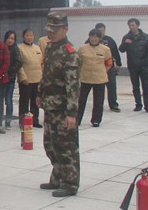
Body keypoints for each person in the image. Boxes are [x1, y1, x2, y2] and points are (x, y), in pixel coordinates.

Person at [37, 12, 81, 197]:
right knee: (50, 144)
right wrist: (40, 93)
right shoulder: (50, 48)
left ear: (65, 29)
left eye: (55, 30)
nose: (51, 33)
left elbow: (73, 86)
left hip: (63, 108)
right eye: (49, 29)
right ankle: (57, 175)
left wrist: (71, 113)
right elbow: (46, 75)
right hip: (50, 105)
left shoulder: (70, 53)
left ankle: (70, 182)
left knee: (66, 146)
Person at [76, 29, 112, 127]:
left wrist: (102, 71)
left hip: (99, 79)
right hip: (85, 78)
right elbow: (78, 62)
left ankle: (96, 120)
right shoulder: (82, 48)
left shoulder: (105, 49)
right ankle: (77, 119)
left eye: (96, 37)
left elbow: (109, 64)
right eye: (92, 36)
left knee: (98, 101)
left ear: (100, 38)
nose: (94, 39)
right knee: (81, 100)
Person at [119, 18, 148, 113]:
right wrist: (125, 43)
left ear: (137, 25)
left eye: (133, 25)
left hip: (143, 65)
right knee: (135, 86)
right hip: (132, 65)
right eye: (129, 25)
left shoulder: (146, 37)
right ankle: (138, 104)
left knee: (146, 86)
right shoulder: (127, 37)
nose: (131, 27)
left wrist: (146, 63)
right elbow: (121, 49)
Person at [17, 29, 43, 129]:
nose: (29, 37)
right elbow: (19, 65)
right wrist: (23, 78)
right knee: (24, 101)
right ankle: (23, 120)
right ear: (23, 37)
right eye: (27, 35)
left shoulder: (37, 48)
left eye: (31, 35)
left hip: (37, 78)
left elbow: (41, 63)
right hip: (26, 80)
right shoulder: (20, 48)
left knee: (35, 101)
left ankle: (34, 120)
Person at [94, 23, 121, 113]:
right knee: (97, 88)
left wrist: (119, 64)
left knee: (112, 86)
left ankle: (113, 104)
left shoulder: (110, 40)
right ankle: (97, 105)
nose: (101, 32)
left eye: (103, 30)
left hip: (109, 67)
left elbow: (116, 52)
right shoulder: (91, 41)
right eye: (99, 31)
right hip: (96, 68)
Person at [3, 30, 21, 129]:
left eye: (12, 39)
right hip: (1, 78)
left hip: (10, 78)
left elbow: (19, 62)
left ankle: (8, 121)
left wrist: (9, 70)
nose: (10, 40)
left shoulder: (15, 49)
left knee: (8, 100)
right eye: (8, 38)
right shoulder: (1, 47)